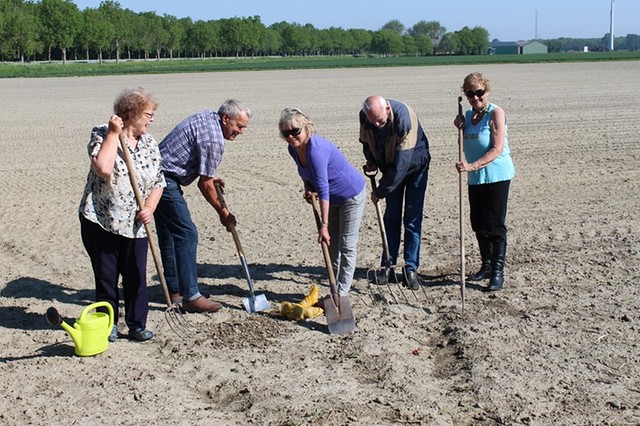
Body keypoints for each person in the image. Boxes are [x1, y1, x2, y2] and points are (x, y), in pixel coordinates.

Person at [79, 87, 165, 342]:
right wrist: (114, 134)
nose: (152, 119)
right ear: (133, 113)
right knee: (107, 276)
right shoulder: (102, 133)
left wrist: (150, 207)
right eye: (148, 114)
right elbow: (103, 168)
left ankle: (137, 324)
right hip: (102, 219)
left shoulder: (149, 142)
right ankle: (108, 324)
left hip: (137, 223)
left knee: (136, 275)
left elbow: (159, 181)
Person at [154, 99, 252, 313]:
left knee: (170, 234)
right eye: (239, 126)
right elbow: (204, 184)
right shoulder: (214, 139)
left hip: (154, 173)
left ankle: (175, 290)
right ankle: (190, 296)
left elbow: (204, 171)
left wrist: (210, 175)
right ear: (226, 118)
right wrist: (224, 214)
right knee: (187, 234)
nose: (241, 132)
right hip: (163, 179)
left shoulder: (209, 118)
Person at [279, 108, 366, 297]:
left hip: (350, 195)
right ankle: (335, 288)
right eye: (286, 133)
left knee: (346, 245)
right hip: (332, 199)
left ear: (307, 128)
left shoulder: (316, 150)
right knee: (332, 246)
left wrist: (324, 225)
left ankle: (341, 294)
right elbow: (305, 172)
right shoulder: (293, 149)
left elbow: (323, 187)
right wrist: (307, 187)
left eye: (295, 131)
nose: (291, 136)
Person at [359, 96, 431, 290]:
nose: (377, 124)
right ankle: (388, 266)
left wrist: (380, 191)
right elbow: (366, 142)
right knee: (391, 217)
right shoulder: (366, 117)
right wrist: (372, 159)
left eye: (380, 121)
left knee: (412, 217)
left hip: (415, 166)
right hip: (390, 167)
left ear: (388, 109)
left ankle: (410, 268)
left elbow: (401, 165)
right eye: (372, 121)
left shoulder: (405, 118)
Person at [454, 72, 515, 291]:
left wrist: (471, 165)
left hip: (497, 175)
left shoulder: (495, 113)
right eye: (470, 94)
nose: (475, 98)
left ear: (486, 91)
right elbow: (467, 144)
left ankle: (497, 272)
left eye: (479, 93)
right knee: (478, 223)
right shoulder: (468, 115)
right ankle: (486, 265)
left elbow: (496, 149)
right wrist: (460, 127)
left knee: (495, 224)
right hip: (476, 176)